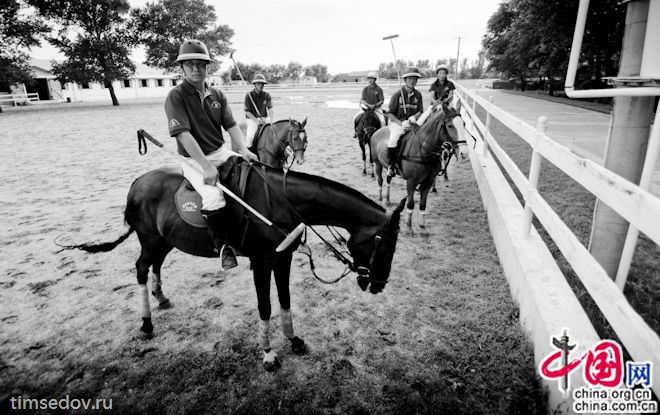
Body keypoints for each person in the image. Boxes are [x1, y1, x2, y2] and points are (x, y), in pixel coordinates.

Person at [164, 39, 258, 270]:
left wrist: (244, 151)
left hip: (221, 152)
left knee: (253, 176)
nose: (196, 69)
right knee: (213, 197)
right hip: (193, 160)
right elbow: (183, 135)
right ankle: (223, 247)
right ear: (182, 68)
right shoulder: (176, 96)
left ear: (208, 67)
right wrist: (206, 166)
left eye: (201, 64)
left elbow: (231, 125)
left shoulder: (217, 94)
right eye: (190, 65)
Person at [385, 67, 424, 178]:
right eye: (409, 78)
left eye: (414, 79)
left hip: (412, 123)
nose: (412, 81)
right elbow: (389, 114)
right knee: (393, 140)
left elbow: (420, 110)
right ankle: (391, 166)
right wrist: (401, 123)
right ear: (405, 80)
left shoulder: (418, 95)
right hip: (397, 123)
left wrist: (414, 117)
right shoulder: (397, 94)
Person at [244, 73, 274, 148]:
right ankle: (248, 155)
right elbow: (247, 112)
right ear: (254, 84)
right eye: (258, 83)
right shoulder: (249, 95)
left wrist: (271, 120)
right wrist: (257, 121)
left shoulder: (267, 95)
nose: (261, 85)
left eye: (262, 84)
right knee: (250, 138)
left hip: (265, 118)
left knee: (275, 134)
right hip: (252, 119)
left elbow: (270, 108)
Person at [353, 71, 385, 136]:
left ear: (375, 79)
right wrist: (368, 105)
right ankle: (356, 132)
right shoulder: (365, 89)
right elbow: (363, 100)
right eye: (369, 78)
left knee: (383, 121)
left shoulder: (379, 89)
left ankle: (382, 135)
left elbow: (381, 101)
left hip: (377, 109)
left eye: (372, 78)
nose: (370, 80)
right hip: (366, 108)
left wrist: (375, 105)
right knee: (355, 118)